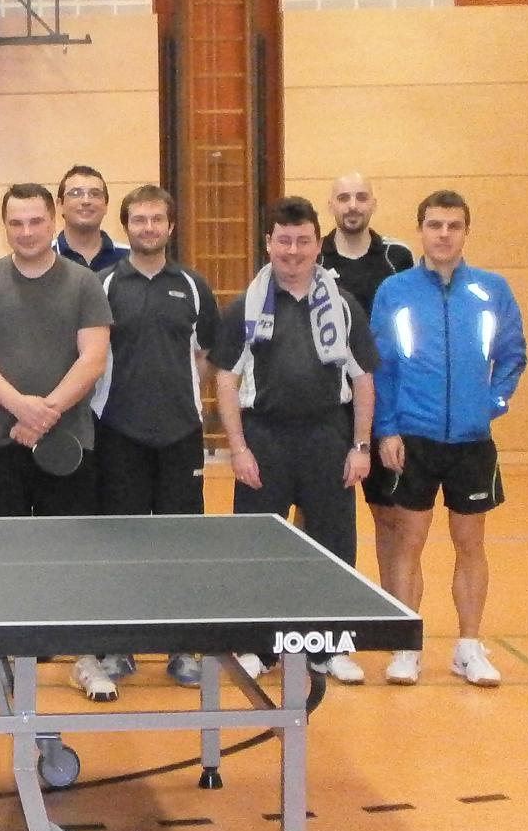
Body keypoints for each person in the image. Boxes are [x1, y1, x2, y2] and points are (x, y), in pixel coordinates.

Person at [210, 196, 378, 684]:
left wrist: (360, 446)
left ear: (317, 244)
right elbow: (225, 380)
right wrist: (239, 448)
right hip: (265, 440)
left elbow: (363, 378)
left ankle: (328, 648)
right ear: (268, 244)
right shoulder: (245, 306)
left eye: (303, 241)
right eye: (283, 240)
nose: (293, 251)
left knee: (334, 546)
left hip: (328, 437)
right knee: (257, 549)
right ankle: (259, 648)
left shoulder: (342, 305)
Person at [0, 183, 112, 701]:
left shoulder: (85, 283)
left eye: (36, 221)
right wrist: (22, 408)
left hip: (69, 444)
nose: (26, 232)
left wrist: (46, 415)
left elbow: (93, 357)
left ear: (54, 221)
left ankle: (83, 656)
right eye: (16, 223)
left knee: (71, 557)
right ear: (5, 226)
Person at [371, 190, 527, 689]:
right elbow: (380, 366)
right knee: (408, 543)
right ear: (420, 230)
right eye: (435, 225)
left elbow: (513, 355)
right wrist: (386, 428)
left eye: (453, 226)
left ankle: (468, 647)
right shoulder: (394, 291)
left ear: (466, 232)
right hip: (413, 438)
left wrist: (491, 402)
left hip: (471, 442)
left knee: (470, 543)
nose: (443, 234)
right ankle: (406, 647)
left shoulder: (492, 290)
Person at [92, 184, 219, 686]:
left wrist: (176, 394)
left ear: (171, 226)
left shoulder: (192, 285)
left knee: (180, 547)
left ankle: (182, 647)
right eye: (139, 220)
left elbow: (206, 355)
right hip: (117, 432)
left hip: (180, 435)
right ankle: (117, 646)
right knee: (120, 547)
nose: (148, 227)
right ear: (126, 226)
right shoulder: (103, 285)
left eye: (156, 219)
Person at [321, 171, 416, 610]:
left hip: (386, 408)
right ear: (331, 205)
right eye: (344, 198)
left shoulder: (398, 257)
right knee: (319, 518)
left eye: (361, 197)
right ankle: (324, 615)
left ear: (373, 203)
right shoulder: (314, 256)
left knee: (389, 516)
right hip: (329, 409)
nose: (353, 205)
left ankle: (391, 616)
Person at [54, 163, 128, 272]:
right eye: (76, 193)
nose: (86, 201)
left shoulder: (129, 259)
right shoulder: (43, 257)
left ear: (106, 206)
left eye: (95, 194)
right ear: (60, 205)